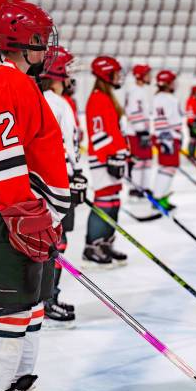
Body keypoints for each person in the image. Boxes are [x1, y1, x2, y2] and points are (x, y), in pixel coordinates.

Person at [0, 1, 81, 391]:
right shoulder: (5, 84)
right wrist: (25, 215)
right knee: (12, 314)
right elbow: (0, 161)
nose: (46, 47)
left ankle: (19, 383)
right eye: (41, 39)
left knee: (31, 310)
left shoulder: (21, 83)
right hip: (8, 218)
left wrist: (45, 214)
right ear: (23, 40)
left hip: (26, 217)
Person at [40, 46, 87, 326]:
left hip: (44, 181)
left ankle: (44, 297)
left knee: (49, 240)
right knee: (58, 241)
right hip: (61, 181)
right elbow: (71, 146)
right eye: (68, 69)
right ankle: (48, 298)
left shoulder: (39, 98)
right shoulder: (59, 104)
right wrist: (78, 176)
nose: (72, 75)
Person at [83, 56, 129, 268]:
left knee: (114, 200)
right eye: (114, 73)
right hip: (103, 159)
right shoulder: (97, 98)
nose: (118, 76)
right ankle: (92, 247)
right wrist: (111, 156)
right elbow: (98, 133)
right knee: (104, 199)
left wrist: (124, 153)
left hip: (113, 158)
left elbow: (115, 130)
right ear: (105, 74)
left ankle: (106, 243)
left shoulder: (107, 97)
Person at [151, 70, 183, 210]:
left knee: (165, 167)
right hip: (169, 137)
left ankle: (160, 197)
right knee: (169, 167)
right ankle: (158, 198)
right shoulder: (171, 99)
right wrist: (178, 136)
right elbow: (174, 121)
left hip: (160, 136)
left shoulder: (156, 98)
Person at [124, 64, 153, 198]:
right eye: (147, 74)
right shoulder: (135, 91)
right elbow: (132, 112)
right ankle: (136, 187)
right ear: (140, 76)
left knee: (146, 160)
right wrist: (141, 130)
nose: (150, 76)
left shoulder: (141, 90)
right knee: (139, 161)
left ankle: (145, 187)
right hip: (136, 133)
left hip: (142, 132)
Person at [185, 85, 196, 158]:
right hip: (192, 122)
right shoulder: (191, 100)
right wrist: (192, 122)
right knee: (193, 138)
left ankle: (192, 153)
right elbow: (190, 111)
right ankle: (191, 154)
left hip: (195, 121)